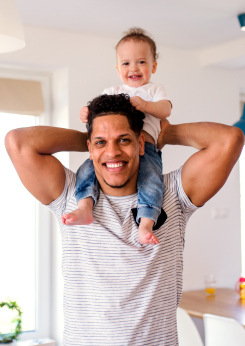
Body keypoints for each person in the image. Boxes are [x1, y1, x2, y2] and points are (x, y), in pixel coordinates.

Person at [5, 94, 243, 345]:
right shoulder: (71, 195)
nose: (113, 152)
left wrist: (165, 135)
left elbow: (230, 140)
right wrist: (94, 140)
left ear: (141, 143)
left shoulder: (173, 194)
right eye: (100, 143)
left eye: (123, 140)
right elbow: (18, 142)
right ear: (89, 147)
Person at [65, 28, 171, 246]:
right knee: (86, 170)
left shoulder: (154, 89)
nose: (133, 68)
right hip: (124, 150)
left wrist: (146, 105)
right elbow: (98, 114)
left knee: (151, 181)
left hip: (148, 149)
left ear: (154, 66)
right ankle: (85, 206)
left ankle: (146, 222)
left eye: (141, 62)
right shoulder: (112, 90)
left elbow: (166, 109)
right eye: (126, 63)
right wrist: (85, 113)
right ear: (117, 68)